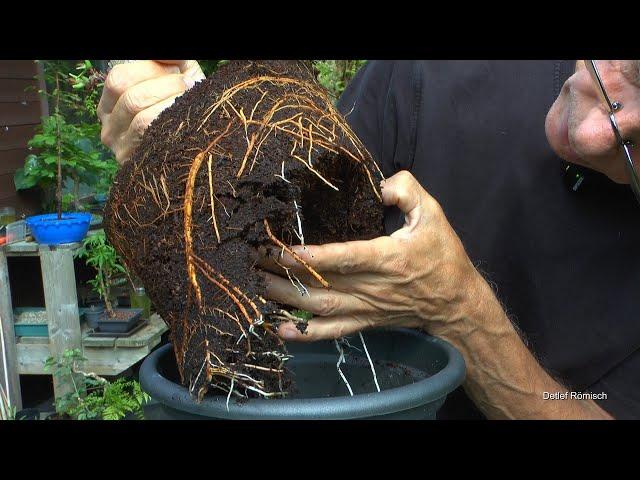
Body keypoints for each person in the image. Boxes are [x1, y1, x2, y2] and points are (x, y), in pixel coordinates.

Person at [98, 60, 640, 419]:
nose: (591, 136)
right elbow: (271, 239)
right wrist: (183, 157)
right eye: (633, 74)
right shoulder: (434, 75)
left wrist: (460, 311)